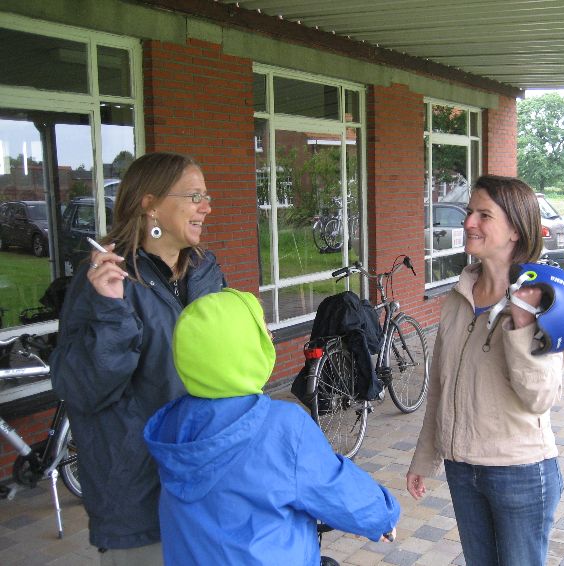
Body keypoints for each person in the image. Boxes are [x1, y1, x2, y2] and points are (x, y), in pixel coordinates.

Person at [51, 152, 225, 565]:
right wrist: (111, 313)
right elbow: (81, 388)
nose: (207, 207)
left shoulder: (205, 270)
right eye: (194, 195)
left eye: (207, 195)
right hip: (139, 492)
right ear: (150, 203)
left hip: (207, 480)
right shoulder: (104, 279)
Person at [143, 288, 400, 565]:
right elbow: (334, 485)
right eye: (262, 330)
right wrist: (382, 517)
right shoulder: (281, 426)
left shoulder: (171, 425)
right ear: (243, 348)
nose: (270, 335)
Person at [406, 175, 564, 566]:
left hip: (519, 472)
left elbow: (539, 397)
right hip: (463, 469)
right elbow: (442, 387)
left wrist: (522, 320)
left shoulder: (547, 299)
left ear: (514, 229)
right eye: (468, 213)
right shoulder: (459, 296)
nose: (469, 223)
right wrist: (425, 458)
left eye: (483, 215)